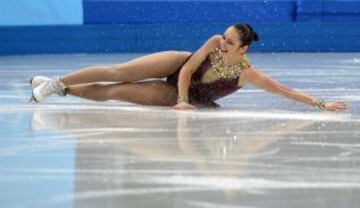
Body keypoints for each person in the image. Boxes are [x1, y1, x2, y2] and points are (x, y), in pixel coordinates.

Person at [30, 23, 347, 111]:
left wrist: (321, 103)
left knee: (117, 91)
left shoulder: (247, 74)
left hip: (186, 97)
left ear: (243, 49)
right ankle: (54, 82)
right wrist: (182, 99)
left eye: (229, 42)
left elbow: (285, 91)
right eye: (223, 37)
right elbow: (185, 70)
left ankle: (65, 90)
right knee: (118, 71)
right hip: (180, 70)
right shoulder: (212, 42)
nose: (222, 43)